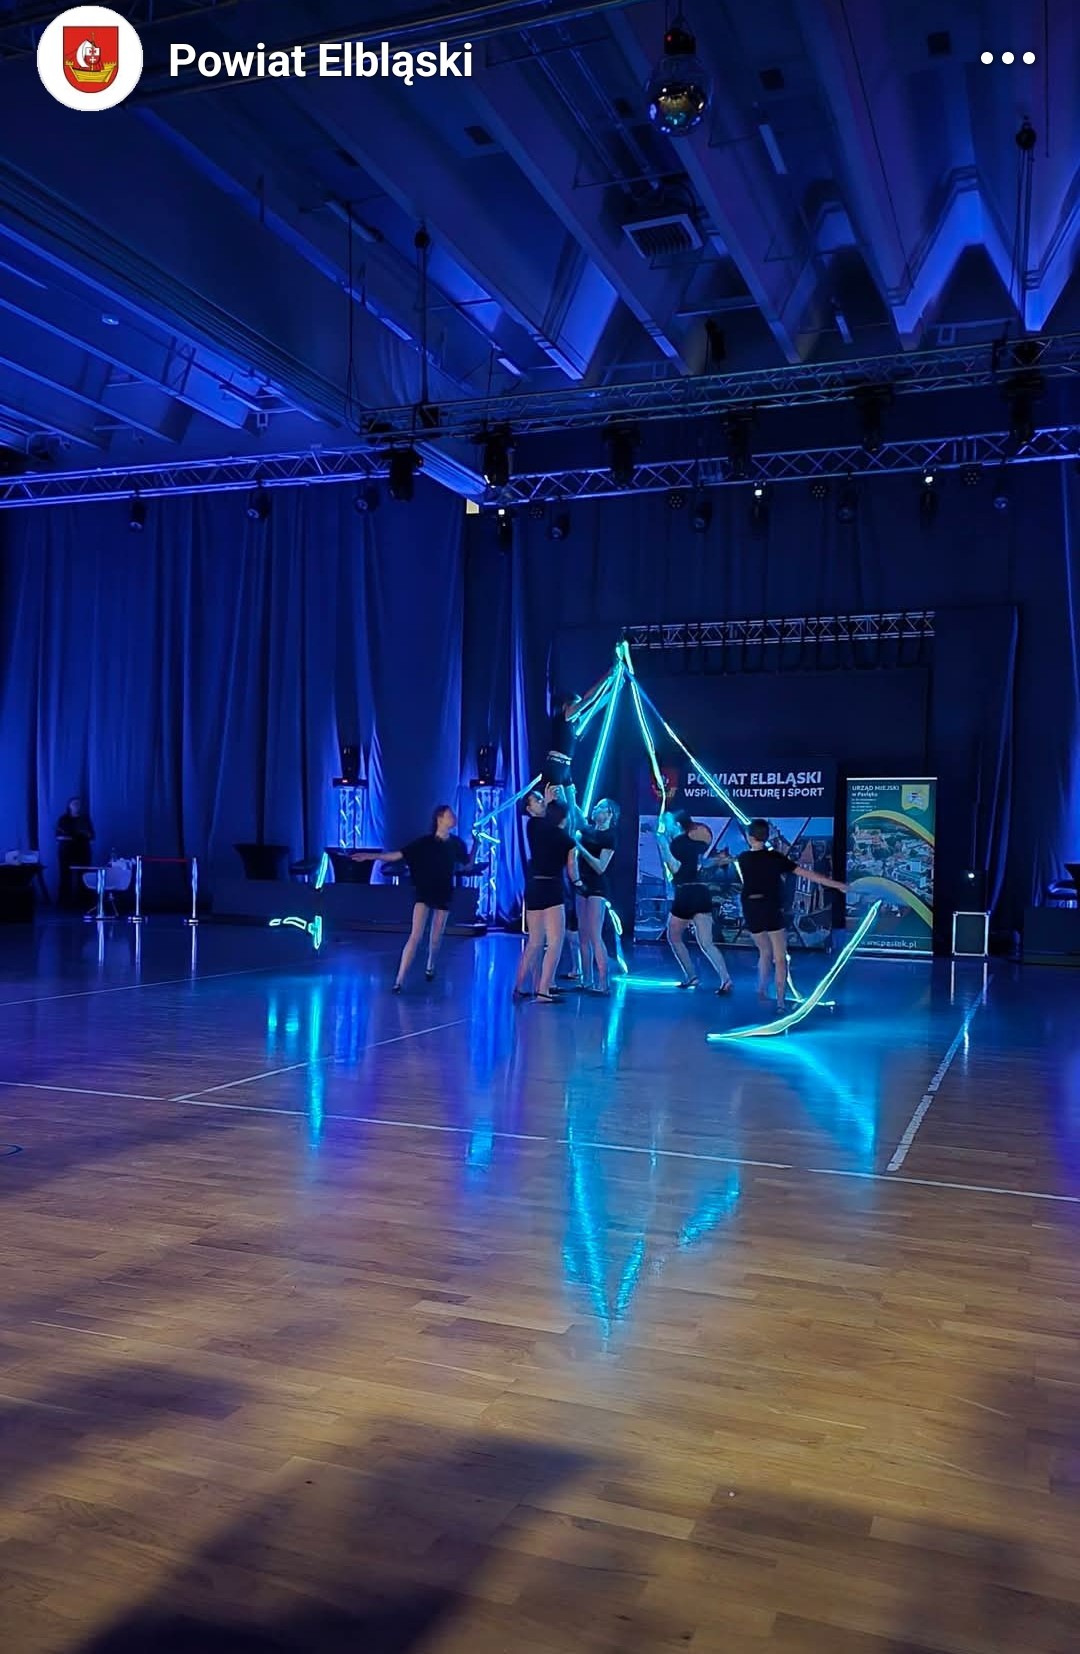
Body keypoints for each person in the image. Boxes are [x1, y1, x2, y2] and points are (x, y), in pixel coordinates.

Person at [353, 805, 468, 992]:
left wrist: (477, 843)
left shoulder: (457, 844)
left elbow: (467, 864)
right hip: (424, 892)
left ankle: (430, 965)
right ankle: (399, 980)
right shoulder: (424, 843)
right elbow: (397, 855)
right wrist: (370, 856)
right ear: (440, 819)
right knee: (415, 936)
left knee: (436, 937)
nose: (453, 818)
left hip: (444, 892)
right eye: (450, 815)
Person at [737, 818, 847, 1012]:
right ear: (767, 836)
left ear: (749, 837)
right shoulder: (776, 858)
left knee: (764, 951)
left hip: (752, 908)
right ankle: (780, 1002)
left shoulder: (743, 858)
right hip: (771, 908)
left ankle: (761, 990)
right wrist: (838, 885)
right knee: (780, 957)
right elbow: (807, 874)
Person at [658, 811, 733, 993]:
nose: (663, 827)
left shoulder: (676, 844)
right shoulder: (698, 844)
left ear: (677, 825)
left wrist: (663, 845)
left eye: (666, 823)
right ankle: (725, 979)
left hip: (686, 893)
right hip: (701, 892)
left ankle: (691, 976)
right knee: (706, 942)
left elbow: (675, 868)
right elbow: (703, 865)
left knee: (674, 936)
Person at [516, 797, 576, 1003]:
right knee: (555, 942)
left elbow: (544, 821)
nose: (542, 802)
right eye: (538, 800)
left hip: (534, 887)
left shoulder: (533, 827)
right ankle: (544, 990)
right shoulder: (566, 839)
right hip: (552, 888)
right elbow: (572, 870)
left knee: (534, 942)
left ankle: (519, 986)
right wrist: (578, 884)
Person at [574, 798, 619, 996]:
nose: (595, 809)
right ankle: (586, 980)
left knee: (594, 935)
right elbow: (575, 811)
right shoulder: (587, 830)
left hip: (597, 888)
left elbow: (601, 867)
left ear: (609, 813)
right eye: (596, 806)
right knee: (582, 935)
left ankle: (603, 983)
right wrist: (570, 793)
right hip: (581, 885)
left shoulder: (609, 836)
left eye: (601, 807)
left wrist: (580, 848)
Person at [541, 675, 611, 791]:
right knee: (560, 801)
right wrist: (607, 676)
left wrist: (616, 687)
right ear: (566, 706)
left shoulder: (575, 723)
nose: (579, 711)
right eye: (576, 706)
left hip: (566, 767)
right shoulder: (564, 718)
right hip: (555, 766)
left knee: (572, 801)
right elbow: (588, 699)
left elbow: (597, 706)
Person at [56, 795, 94, 908]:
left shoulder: (85, 819)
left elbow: (92, 835)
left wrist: (83, 835)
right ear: (69, 806)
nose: (77, 806)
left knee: (83, 876)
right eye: (74, 804)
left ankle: (83, 902)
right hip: (67, 852)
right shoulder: (63, 819)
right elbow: (58, 836)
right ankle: (64, 903)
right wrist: (72, 837)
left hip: (83, 851)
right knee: (65, 877)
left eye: (78, 804)